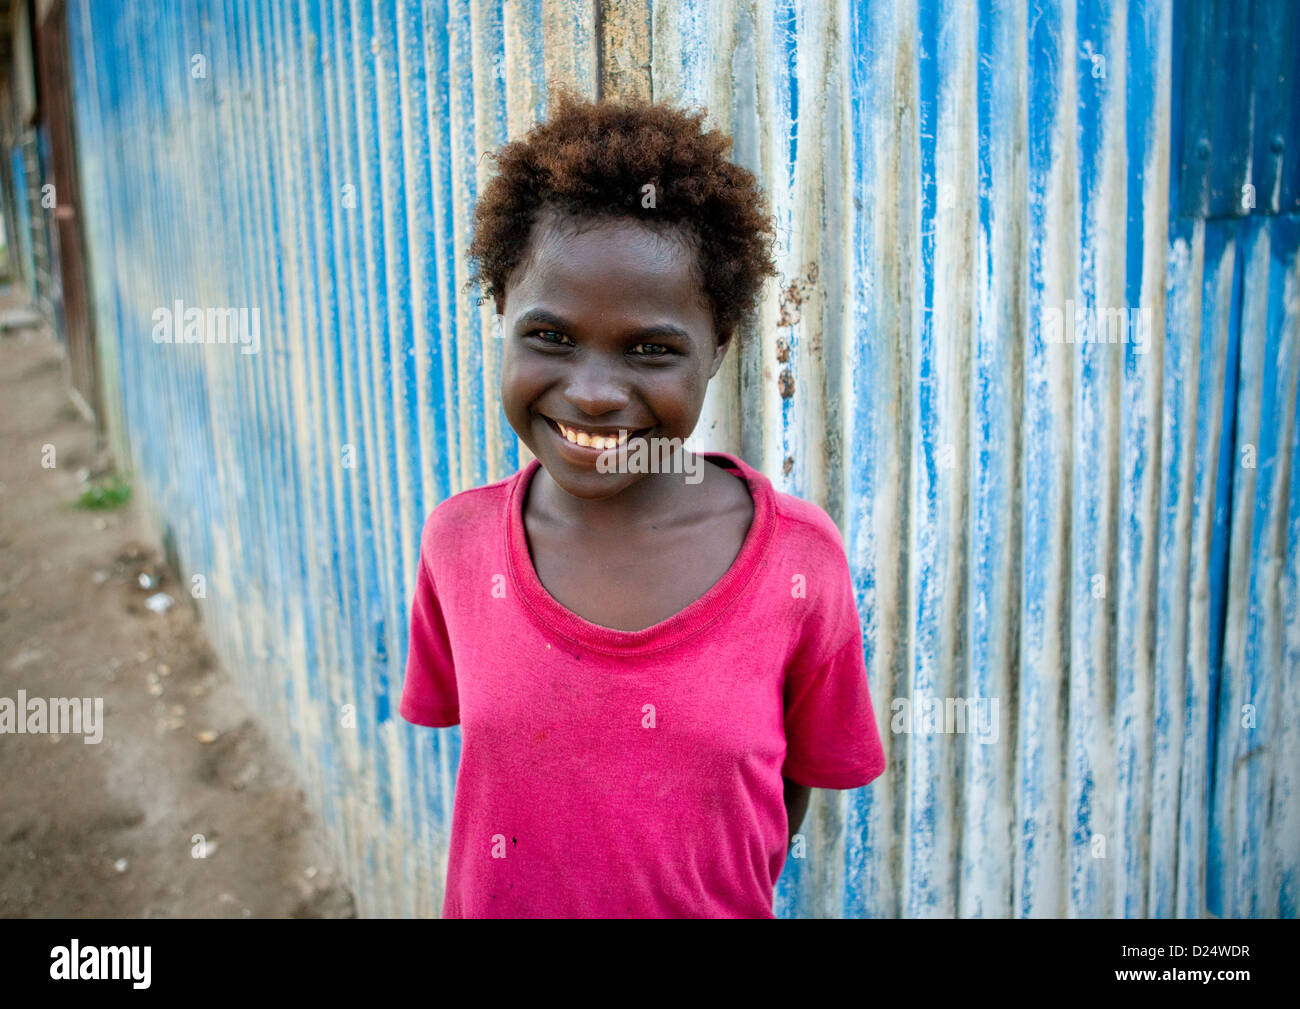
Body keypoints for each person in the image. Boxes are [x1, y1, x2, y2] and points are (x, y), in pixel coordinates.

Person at [399, 86, 886, 918]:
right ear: (501, 315)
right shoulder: (459, 544)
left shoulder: (800, 560)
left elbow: (792, 786)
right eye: (549, 335)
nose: (591, 393)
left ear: (718, 347)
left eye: (652, 348)